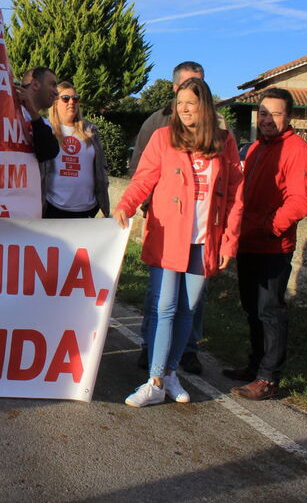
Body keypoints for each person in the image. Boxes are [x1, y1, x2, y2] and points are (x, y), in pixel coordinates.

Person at [113, 77, 243, 407]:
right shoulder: (163, 138)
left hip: (205, 240)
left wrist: (229, 242)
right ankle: (154, 379)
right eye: (180, 103)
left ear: (205, 106)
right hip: (170, 236)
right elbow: (144, 179)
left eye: (191, 102)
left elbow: (234, 196)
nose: (184, 109)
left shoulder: (223, 142)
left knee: (188, 309)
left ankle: (171, 373)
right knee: (164, 307)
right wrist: (126, 205)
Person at [223, 88, 307, 400]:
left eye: (275, 114)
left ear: (288, 116)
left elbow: (301, 202)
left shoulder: (298, 150)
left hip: (273, 247)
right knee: (252, 309)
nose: (268, 120)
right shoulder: (255, 149)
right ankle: (255, 365)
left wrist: (269, 227)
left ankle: (269, 377)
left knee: (270, 310)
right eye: (263, 113)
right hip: (248, 242)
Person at [131, 61, 208, 374]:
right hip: (166, 229)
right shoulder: (157, 125)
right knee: (160, 299)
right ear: (176, 88)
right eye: (188, 86)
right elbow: (142, 171)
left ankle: (186, 351)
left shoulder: (218, 130)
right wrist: (154, 209)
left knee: (191, 302)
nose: (193, 96)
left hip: (200, 235)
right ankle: (151, 350)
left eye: (200, 87)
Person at [42, 81, 110, 218]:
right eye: (65, 98)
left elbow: (101, 167)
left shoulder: (91, 131)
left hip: (88, 209)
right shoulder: (46, 129)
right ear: (55, 103)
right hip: (53, 208)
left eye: (75, 98)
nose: (71, 102)